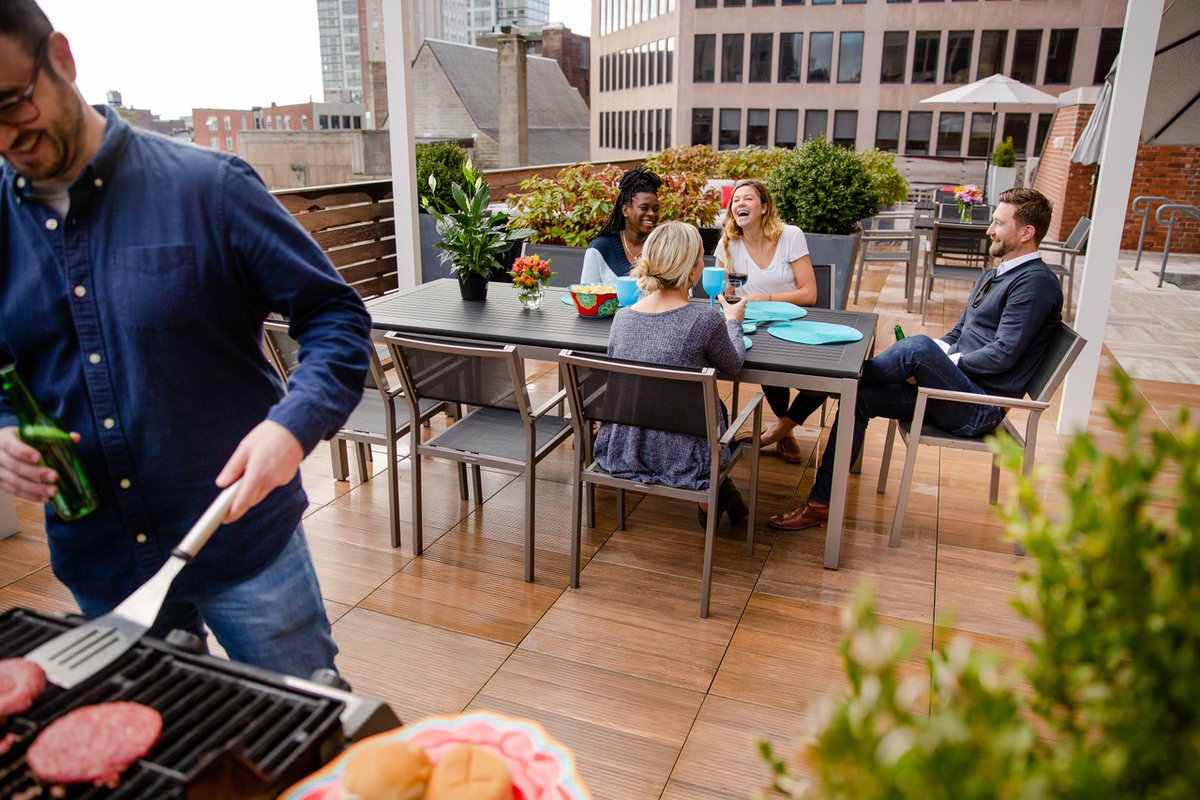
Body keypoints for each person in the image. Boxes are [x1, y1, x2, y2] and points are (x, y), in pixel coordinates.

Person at [0, 1, 372, 678]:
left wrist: (292, 427)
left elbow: (336, 317)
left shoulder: (211, 188)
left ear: (61, 57)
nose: (5, 137)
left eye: (12, 103)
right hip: (100, 556)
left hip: (242, 538)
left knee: (307, 733)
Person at [768, 187, 1064, 531]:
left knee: (918, 348)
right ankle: (821, 503)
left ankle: (846, 375)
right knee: (859, 396)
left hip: (978, 406)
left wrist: (934, 362)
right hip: (954, 391)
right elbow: (959, 332)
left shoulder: (1035, 284)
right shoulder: (999, 273)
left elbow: (1003, 354)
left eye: (998, 223)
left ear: (1027, 232)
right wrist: (934, 360)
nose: (989, 229)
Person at [593, 221, 749, 527]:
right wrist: (732, 320)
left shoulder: (622, 317)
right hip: (687, 456)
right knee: (717, 411)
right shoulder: (705, 320)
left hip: (624, 447)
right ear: (691, 272)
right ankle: (710, 499)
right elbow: (733, 364)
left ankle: (721, 497)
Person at [716, 179, 823, 465]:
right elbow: (722, 291)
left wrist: (767, 297)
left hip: (792, 323)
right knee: (763, 365)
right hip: (751, 327)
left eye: (748, 199)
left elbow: (809, 293)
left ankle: (779, 430)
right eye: (736, 200)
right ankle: (786, 433)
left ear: (764, 207)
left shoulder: (790, 236)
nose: (740, 204)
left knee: (822, 379)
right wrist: (726, 295)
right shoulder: (728, 241)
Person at [581, 165, 661, 285]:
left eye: (655, 209)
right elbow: (586, 297)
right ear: (625, 210)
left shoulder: (664, 247)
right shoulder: (600, 249)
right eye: (644, 208)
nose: (651, 214)